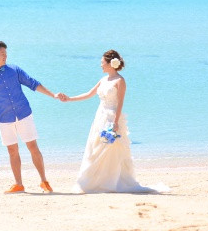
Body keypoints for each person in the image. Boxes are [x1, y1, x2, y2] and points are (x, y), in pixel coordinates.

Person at [60, 50, 168, 193]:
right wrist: (69, 99)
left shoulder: (120, 81)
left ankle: (111, 181)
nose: (101, 65)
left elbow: (120, 103)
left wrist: (116, 122)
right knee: (95, 148)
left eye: (102, 63)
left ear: (110, 63)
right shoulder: (103, 80)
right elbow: (88, 94)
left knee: (111, 150)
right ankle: (94, 181)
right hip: (100, 117)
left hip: (112, 118)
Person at [0, 40, 63, 194]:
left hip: (24, 113)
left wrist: (53, 95)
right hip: (4, 119)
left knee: (33, 147)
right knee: (12, 151)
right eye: (3, 53)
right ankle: (19, 184)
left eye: (6, 53)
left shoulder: (14, 70)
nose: (6, 56)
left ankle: (44, 181)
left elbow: (32, 83)